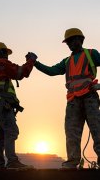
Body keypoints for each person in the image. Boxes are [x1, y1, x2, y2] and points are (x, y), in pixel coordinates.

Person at [27, 28, 100, 168]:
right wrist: (35, 62)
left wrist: (99, 86)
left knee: (97, 128)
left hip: (89, 97)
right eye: (68, 42)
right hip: (73, 100)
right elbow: (51, 71)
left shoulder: (92, 54)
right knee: (71, 131)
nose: (70, 43)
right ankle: (72, 161)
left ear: (81, 40)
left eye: (73, 40)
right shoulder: (67, 61)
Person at [0, 42, 36, 169]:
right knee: (11, 131)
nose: (7, 55)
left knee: (2, 134)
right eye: (5, 52)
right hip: (3, 106)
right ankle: (12, 161)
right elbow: (20, 73)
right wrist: (31, 61)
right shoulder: (2, 63)